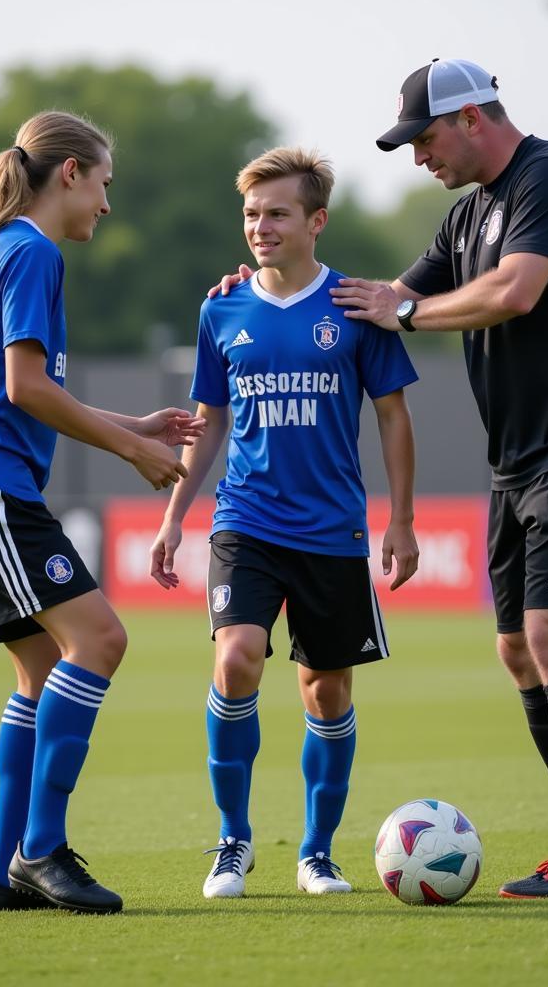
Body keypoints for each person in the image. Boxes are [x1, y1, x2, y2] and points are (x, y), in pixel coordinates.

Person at [218, 59, 548, 898]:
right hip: (520, 459)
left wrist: (410, 312)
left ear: (469, 117)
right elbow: (370, 297)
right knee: (517, 651)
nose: (418, 157)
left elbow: (515, 291)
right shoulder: (466, 217)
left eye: (424, 139)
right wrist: (262, 285)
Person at [0, 110, 203, 914]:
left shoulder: (8, 246)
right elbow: (24, 390)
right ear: (69, 174)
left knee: (42, 672)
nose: (107, 205)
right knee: (103, 638)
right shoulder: (34, 251)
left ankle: (7, 876)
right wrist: (133, 453)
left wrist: (132, 425)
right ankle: (40, 850)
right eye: (104, 184)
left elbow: (33, 393)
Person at [151, 147, 419, 898]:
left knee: (324, 692)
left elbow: (394, 417)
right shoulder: (221, 308)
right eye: (250, 214)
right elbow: (208, 421)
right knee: (236, 657)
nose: (260, 227)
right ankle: (232, 840)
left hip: (334, 530)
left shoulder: (356, 308)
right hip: (246, 521)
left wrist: (402, 520)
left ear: (316, 221)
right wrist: (175, 516)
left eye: (276, 213)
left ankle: (317, 852)